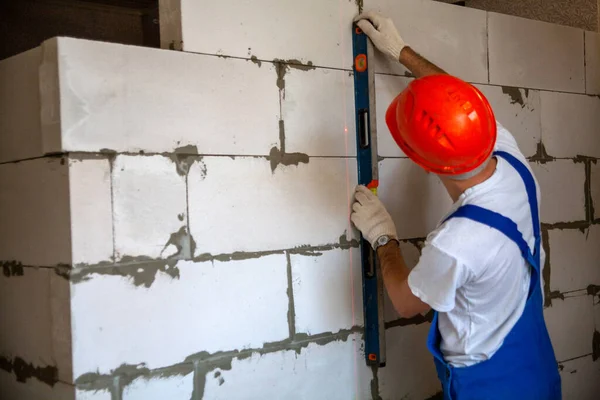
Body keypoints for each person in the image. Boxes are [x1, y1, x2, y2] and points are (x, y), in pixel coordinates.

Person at [351, 11, 561, 400]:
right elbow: (461, 105)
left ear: (424, 165)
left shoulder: (457, 241)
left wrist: (384, 238)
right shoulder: (513, 163)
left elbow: (405, 301)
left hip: (489, 390)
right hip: (537, 371)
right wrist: (401, 51)